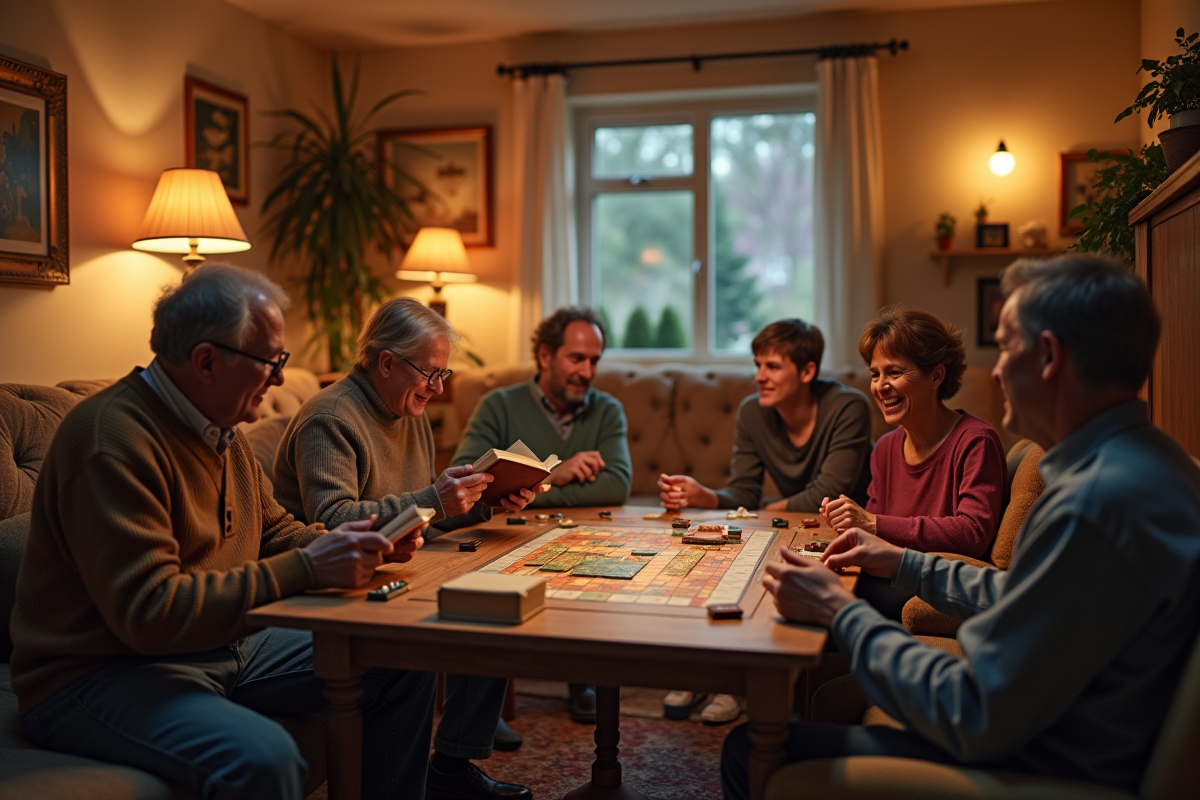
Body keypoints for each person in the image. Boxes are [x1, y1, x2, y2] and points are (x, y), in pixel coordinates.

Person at [721, 254, 1200, 800]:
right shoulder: (1149, 463)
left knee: (750, 751)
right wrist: (900, 561)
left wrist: (841, 610)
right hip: (1054, 734)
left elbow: (969, 711)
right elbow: (1016, 592)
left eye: (1006, 347)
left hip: (1043, 764)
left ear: (1048, 357)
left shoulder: (1095, 504)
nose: (995, 371)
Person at [9, 264, 436, 800]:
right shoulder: (110, 440)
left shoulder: (223, 430)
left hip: (220, 644)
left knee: (404, 657)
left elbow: (276, 531)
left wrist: (355, 545)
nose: (281, 378)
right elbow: (152, 612)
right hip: (100, 673)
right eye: (270, 361)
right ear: (207, 361)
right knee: (265, 757)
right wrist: (309, 567)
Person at [272, 296, 537, 800]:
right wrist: (432, 498)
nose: (437, 390)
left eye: (444, 374)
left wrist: (485, 501)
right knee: (424, 643)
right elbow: (329, 525)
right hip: (327, 587)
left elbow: (422, 521)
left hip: (391, 566)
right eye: (430, 373)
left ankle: (452, 766)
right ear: (386, 362)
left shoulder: (407, 408)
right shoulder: (330, 417)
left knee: (499, 592)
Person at [656, 318, 872, 725]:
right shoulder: (752, 412)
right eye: (757, 365)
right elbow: (744, 493)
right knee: (714, 551)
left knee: (761, 558)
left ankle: (738, 682)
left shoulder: (848, 407)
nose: (759, 377)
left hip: (841, 529)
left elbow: (823, 494)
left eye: (772, 366)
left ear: (807, 371)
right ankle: (708, 667)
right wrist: (707, 497)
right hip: (791, 523)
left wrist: (751, 514)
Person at [451, 306, 633, 723]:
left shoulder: (607, 410)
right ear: (546, 356)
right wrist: (557, 473)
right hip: (504, 535)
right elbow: (465, 479)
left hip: (578, 536)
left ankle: (582, 676)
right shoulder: (497, 405)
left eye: (594, 361)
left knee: (594, 560)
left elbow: (616, 486)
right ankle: (479, 705)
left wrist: (525, 489)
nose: (587, 371)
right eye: (576, 358)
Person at [822, 307, 1006, 619]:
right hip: (886, 580)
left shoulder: (976, 440)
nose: (881, 386)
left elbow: (973, 534)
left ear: (936, 375)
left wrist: (870, 523)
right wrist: (849, 524)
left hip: (936, 589)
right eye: (875, 374)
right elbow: (875, 532)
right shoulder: (885, 448)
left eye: (894, 372)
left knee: (819, 599)